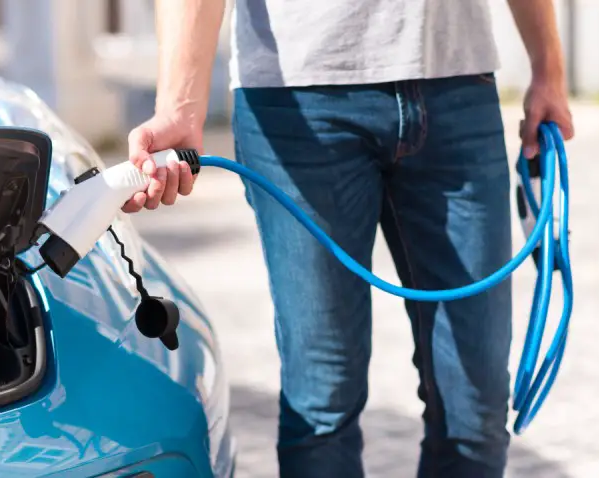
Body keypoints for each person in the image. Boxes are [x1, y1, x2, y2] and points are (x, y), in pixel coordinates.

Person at [123, 1, 574, 477]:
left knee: (475, 402)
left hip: (457, 87)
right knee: (324, 401)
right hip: (298, 103)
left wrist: (548, 65)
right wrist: (178, 103)